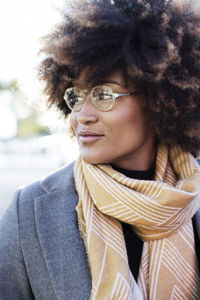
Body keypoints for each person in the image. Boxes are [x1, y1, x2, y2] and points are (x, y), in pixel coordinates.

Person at [0, 0, 200, 299]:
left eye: (103, 94)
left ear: (156, 96)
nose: (82, 114)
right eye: (75, 96)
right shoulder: (29, 209)